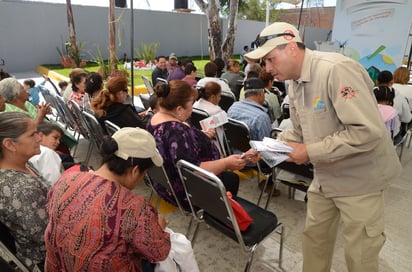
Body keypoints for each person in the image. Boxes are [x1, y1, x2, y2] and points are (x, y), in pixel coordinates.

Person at [245, 22, 402, 272]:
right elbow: (299, 130)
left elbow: (367, 131)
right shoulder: (294, 82)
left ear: (292, 48)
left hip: (361, 179)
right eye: (264, 63)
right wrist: (266, 147)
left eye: (270, 59)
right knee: (315, 241)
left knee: (360, 255)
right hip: (326, 176)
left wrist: (309, 151)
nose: (268, 69)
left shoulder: (336, 70)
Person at [44, 127, 198, 272]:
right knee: (177, 247)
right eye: (143, 173)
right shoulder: (134, 207)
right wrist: (158, 227)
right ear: (135, 170)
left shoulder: (68, 178)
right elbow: (158, 252)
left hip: (57, 266)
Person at [147, 80, 259, 209]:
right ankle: (222, 216)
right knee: (231, 179)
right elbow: (193, 170)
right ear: (179, 109)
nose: (192, 108)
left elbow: (177, 151)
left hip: (164, 185)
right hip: (186, 192)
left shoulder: (153, 120)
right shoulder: (177, 133)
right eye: (191, 103)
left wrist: (199, 136)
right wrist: (225, 163)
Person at [0, 112, 50, 270]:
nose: (39, 138)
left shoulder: (21, 164)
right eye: (32, 134)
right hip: (46, 259)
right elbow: (47, 236)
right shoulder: (22, 189)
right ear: (9, 144)